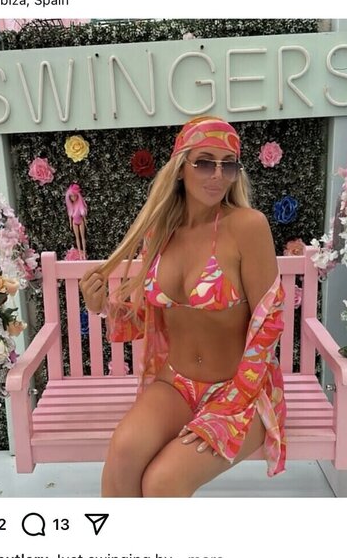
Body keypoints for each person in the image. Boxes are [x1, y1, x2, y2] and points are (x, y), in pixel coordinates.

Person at [79, 116, 286, 497]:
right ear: (180, 168)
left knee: (163, 481)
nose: (217, 175)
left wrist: (233, 402)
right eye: (204, 162)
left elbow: (268, 324)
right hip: (176, 384)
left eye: (228, 164)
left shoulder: (248, 226)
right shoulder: (160, 233)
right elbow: (149, 318)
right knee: (123, 453)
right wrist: (103, 306)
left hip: (242, 392)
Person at [65, 183, 87, 259]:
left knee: (82, 237)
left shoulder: (80, 205)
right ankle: (80, 254)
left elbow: (83, 215)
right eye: (71, 196)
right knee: (77, 238)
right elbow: (70, 216)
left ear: (77, 196)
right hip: (74, 222)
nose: (73, 198)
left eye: (74, 196)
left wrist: (85, 222)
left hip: (81, 221)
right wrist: (70, 224)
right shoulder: (71, 206)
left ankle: (84, 253)